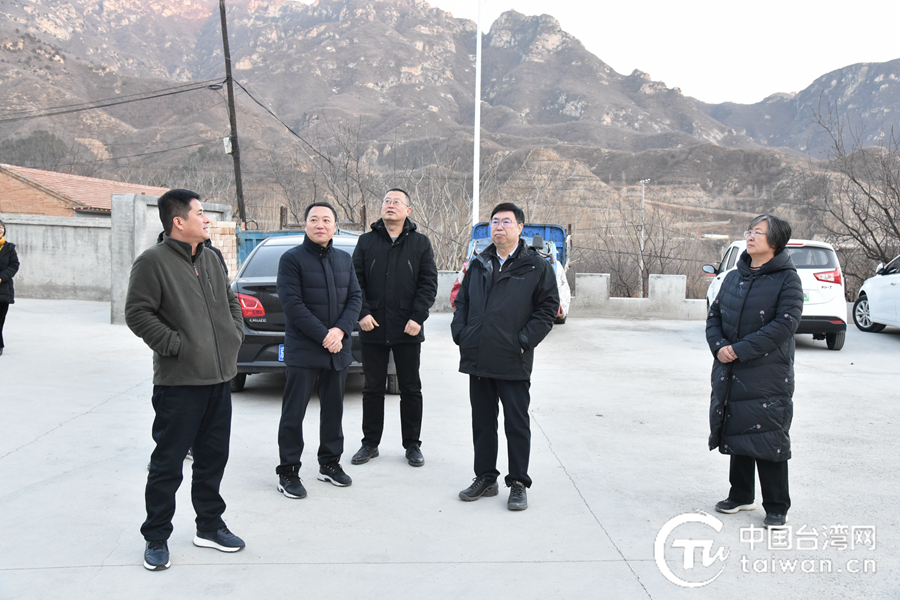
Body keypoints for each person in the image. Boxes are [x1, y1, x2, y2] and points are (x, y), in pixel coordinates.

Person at [125, 189, 246, 571]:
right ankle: (156, 536)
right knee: (168, 463)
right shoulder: (152, 262)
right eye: (200, 213)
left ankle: (209, 526)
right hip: (179, 384)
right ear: (178, 221)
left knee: (213, 458)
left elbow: (229, 300)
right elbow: (137, 313)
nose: (207, 219)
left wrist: (233, 334)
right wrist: (175, 345)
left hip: (219, 379)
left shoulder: (210, 257)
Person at [451, 202, 559, 511]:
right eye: (495, 222)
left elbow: (547, 309)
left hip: (513, 357)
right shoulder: (479, 263)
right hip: (479, 355)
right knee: (483, 422)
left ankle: (518, 482)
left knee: (516, 423)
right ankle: (485, 477)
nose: (499, 227)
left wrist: (523, 341)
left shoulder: (535, 266)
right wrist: (462, 333)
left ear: (520, 228)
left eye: (506, 222)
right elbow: (463, 302)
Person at [706, 214, 803, 528]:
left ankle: (776, 506)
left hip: (767, 371)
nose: (750, 236)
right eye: (750, 231)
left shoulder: (787, 279)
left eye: (758, 232)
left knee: (769, 435)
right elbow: (715, 315)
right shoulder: (734, 276)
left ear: (775, 241)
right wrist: (719, 346)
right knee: (738, 426)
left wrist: (739, 349)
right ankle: (740, 495)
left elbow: (785, 324)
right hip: (731, 367)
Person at [275, 202, 362, 499]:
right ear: (305, 225)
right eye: (314, 219)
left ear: (335, 226)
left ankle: (329, 464)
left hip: (337, 348)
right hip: (304, 349)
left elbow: (355, 297)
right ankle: (288, 471)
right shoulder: (291, 259)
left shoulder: (344, 259)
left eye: (326, 220)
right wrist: (325, 335)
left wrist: (340, 331)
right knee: (293, 413)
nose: (320, 224)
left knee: (334, 410)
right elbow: (292, 304)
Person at [350, 189, 438, 468]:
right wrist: (363, 313)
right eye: (386, 201)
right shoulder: (366, 242)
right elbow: (355, 281)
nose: (390, 205)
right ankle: (370, 443)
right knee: (372, 388)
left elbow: (428, 283)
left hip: (407, 328)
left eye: (396, 202)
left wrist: (417, 317)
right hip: (372, 326)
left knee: (410, 389)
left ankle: (412, 445)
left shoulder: (420, 243)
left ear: (408, 210)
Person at [0, 219, 19, 357]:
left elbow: (14, 265)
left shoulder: (10, 248)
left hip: (4, 289)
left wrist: (1, 277)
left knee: (0, 319)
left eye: (1, 227)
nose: (0, 229)